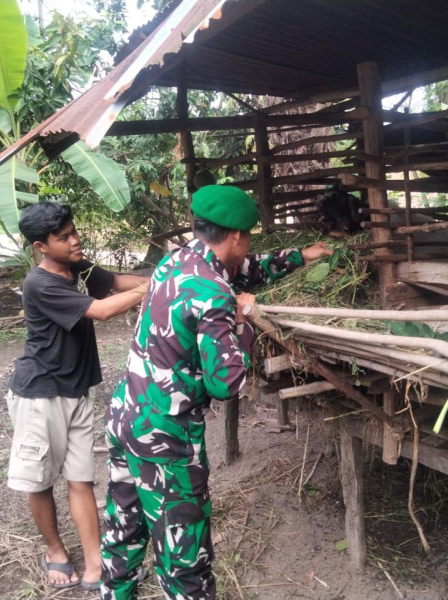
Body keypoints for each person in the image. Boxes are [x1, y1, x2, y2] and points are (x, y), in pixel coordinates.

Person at [100, 185, 332, 600]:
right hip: (165, 436)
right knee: (185, 561)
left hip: (125, 415)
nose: (248, 248)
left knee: (124, 532)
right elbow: (226, 383)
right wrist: (243, 321)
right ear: (238, 236)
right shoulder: (215, 294)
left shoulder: (177, 262)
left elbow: (244, 270)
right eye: (248, 240)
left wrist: (300, 256)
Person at [6, 201, 150, 591]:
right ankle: (54, 550)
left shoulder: (78, 268)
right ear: (40, 246)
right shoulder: (41, 283)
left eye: (74, 231)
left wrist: (161, 275)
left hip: (75, 390)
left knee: (81, 479)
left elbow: (117, 282)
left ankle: (93, 563)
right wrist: (153, 289)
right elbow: (102, 311)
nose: (75, 240)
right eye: (64, 237)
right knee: (40, 480)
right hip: (40, 393)